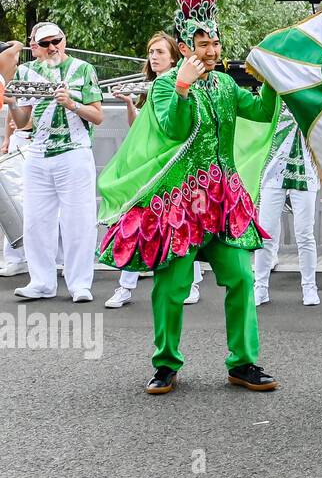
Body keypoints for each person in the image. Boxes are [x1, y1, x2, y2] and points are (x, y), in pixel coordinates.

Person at [97, 0, 281, 395]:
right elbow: (175, 129)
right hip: (181, 206)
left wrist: (273, 78)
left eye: (215, 42)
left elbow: (259, 110)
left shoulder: (226, 84)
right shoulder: (164, 86)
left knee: (240, 277)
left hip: (223, 201)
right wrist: (181, 86)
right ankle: (165, 364)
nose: (212, 51)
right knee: (173, 287)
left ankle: (243, 363)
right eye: (203, 44)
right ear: (184, 48)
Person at [106, 33, 203, 309]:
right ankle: (126, 286)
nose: (154, 56)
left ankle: (191, 283)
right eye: (151, 51)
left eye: (160, 51)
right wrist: (128, 103)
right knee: (139, 222)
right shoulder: (155, 86)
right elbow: (140, 128)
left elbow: (175, 126)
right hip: (151, 168)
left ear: (173, 56)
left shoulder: (175, 82)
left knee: (182, 223)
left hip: (173, 167)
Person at [9, 22, 103, 303]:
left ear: (64, 40)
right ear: (36, 46)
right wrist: (12, 105)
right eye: (45, 43)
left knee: (79, 220)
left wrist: (72, 104)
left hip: (74, 153)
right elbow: (25, 123)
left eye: (56, 41)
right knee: (36, 222)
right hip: (37, 154)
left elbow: (98, 116)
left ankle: (79, 284)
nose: (52, 48)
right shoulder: (26, 72)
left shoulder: (83, 69)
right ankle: (41, 281)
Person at [253, 103, 320, 307]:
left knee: (305, 234)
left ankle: (309, 287)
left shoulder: (309, 95)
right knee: (266, 233)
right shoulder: (272, 96)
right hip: (272, 174)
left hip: (306, 172)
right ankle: (261, 287)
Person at [0, 41, 27, 278]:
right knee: (14, 200)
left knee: (20, 201)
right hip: (21, 140)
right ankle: (15, 258)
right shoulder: (4, 81)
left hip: (31, 142)